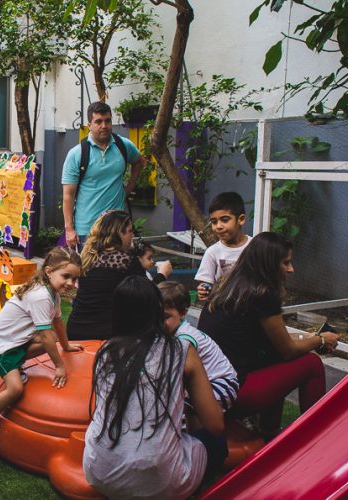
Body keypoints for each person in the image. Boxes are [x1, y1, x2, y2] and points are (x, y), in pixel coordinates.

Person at [84, 276, 226, 499]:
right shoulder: (181, 350)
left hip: (97, 470)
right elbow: (215, 424)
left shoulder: (106, 352)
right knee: (217, 443)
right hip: (159, 482)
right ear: (157, 310)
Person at [197, 232, 339, 438]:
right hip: (235, 393)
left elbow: (272, 341)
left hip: (207, 392)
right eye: (286, 263)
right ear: (268, 265)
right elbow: (288, 350)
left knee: (276, 361)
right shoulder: (262, 294)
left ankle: (268, 435)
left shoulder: (229, 287)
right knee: (311, 364)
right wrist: (321, 339)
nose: (291, 269)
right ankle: (316, 435)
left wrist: (306, 339)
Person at [0, 247, 83, 452]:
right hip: (2, 347)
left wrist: (66, 346)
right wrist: (59, 366)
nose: (70, 283)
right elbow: (45, 335)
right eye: (66, 276)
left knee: (48, 341)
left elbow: (58, 322)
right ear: (49, 271)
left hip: (16, 341)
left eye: (74, 279)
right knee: (15, 388)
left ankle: (18, 366)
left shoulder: (53, 293)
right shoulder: (41, 295)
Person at [66, 210, 171, 341]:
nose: (132, 236)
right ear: (118, 233)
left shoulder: (87, 256)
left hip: (77, 328)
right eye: (130, 231)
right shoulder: (126, 260)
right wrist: (162, 274)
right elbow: (147, 294)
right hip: (108, 333)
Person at [61, 101, 147, 250]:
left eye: (107, 121)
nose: (104, 126)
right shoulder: (77, 154)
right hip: (87, 229)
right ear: (90, 125)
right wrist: (69, 229)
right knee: (89, 272)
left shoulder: (123, 145)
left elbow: (139, 161)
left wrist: (130, 186)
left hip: (117, 228)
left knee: (117, 271)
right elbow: (68, 195)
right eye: (98, 121)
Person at [159, 281, 239, 413]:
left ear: (183, 312)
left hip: (221, 384)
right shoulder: (172, 331)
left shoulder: (184, 337)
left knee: (182, 410)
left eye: (165, 317)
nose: (159, 322)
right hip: (206, 382)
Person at [195, 192, 252, 300]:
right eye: (214, 221)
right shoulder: (213, 251)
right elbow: (205, 281)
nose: (218, 226)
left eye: (225, 220)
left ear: (241, 219)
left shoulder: (255, 246)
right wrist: (203, 289)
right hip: (223, 306)